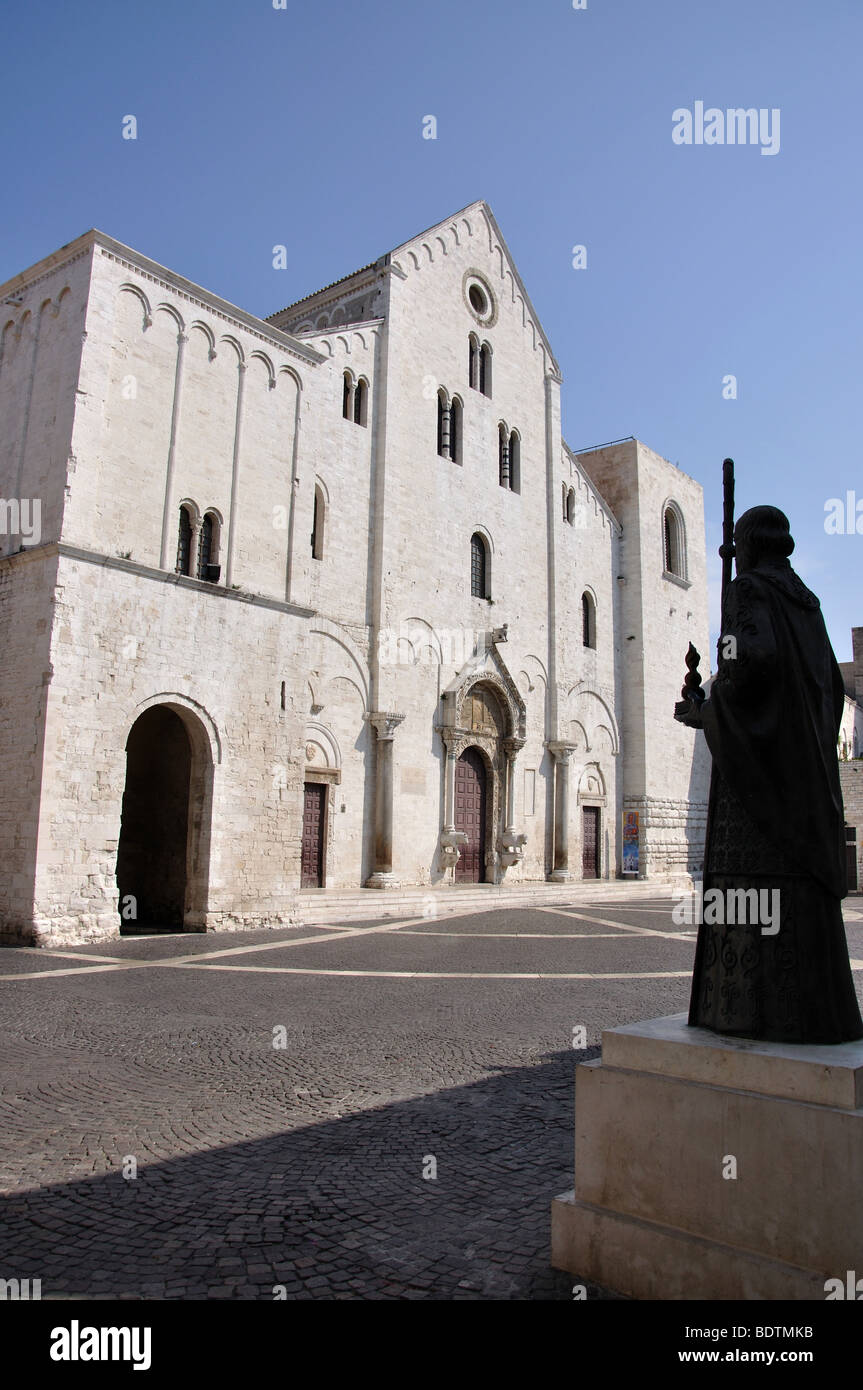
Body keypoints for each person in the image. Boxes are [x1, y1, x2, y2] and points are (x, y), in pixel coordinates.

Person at [674, 505, 863, 1044]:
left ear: (748, 544)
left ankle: (743, 1015)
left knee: (750, 896)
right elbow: (828, 681)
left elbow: (749, 667)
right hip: (803, 777)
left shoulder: (746, 591)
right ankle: (817, 1017)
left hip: (756, 792)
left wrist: (707, 710)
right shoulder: (808, 602)